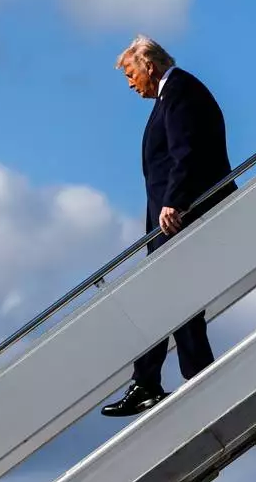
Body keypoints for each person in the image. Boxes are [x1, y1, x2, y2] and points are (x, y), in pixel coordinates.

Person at [101, 35, 238, 418]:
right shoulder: (171, 94)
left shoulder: (179, 91)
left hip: (180, 215)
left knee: (162, 297)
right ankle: (192, 377)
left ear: (149, 66)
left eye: (131, 74)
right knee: (175, 300)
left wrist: (175, 201)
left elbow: (186, 150)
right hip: (169, 217)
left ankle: (153, 382)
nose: (130, 83)